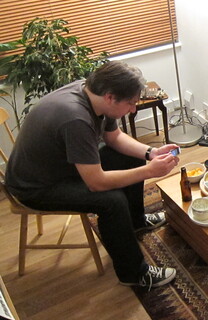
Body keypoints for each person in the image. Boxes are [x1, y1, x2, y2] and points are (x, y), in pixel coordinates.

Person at [5, 61, 180, 289]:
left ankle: (136, 221)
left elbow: (114, 137)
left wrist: (151, 153)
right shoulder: (76, 119)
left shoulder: (93, 93)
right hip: (35, 186)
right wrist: (149, 171)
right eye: (131, 103)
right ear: (110, 97)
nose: (134, 109)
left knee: (134, 156)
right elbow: (96, 183)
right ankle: (134, 274)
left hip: (62, 165)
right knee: (112, 201)